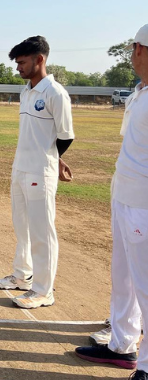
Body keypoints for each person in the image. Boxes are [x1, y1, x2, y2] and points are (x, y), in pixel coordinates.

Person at [74, 24, 148, 373]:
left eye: (134, 48)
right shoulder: (139, 93)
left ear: (139, 49)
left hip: (143, 204)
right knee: (124, 279)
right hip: (124, 196)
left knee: (145, 285)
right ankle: (122, 344)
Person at [0, 36, 74, 309]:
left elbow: (65, 136)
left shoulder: (55, 93)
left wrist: (53, 159)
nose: (18, 68)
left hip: (40, 172)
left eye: (22, 62)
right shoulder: (25, 92)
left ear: (40, 59)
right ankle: (21, 276)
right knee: (22, 227)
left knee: (42, 232)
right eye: (17, 63)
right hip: (20, 168)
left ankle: (43, 290)